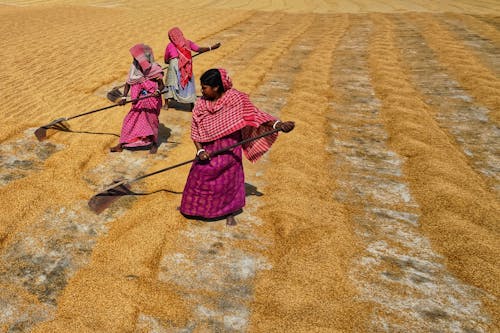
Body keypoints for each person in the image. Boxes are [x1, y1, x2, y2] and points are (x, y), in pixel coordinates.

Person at [180, 68, 295, 226]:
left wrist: (278, 124)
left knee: (228, 181)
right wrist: (200, 151)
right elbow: (195, 131)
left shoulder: (235, 99)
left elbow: (255, 115)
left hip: (229, 148)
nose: (202, 91)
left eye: (205, 87)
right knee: (199, 175)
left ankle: (229, 211)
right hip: (208, 150)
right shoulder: (201, 104)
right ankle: (193, 209)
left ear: (216, 88)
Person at [110, 43, 165, 154]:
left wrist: (158, 92)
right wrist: (124, 97)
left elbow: (161, 85)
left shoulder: (155, 69)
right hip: (138, 102)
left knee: (152, 122)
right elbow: (128, 83)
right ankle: (121, 145)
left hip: (152, 102)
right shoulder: (134, 68)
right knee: (129, 121)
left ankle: (154, 144)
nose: (136, 61)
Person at [163, 27, 221, 110]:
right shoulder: (188, 43)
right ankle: (191, 104)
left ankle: (166, 104)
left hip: (174, 65)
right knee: (188, 83)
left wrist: (170, 62)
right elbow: (198, 49)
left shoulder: (170, 45)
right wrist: (211, 47)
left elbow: (166, 59)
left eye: (169, 36)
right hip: (187, 66)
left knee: (170, 83)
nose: (169, 38)